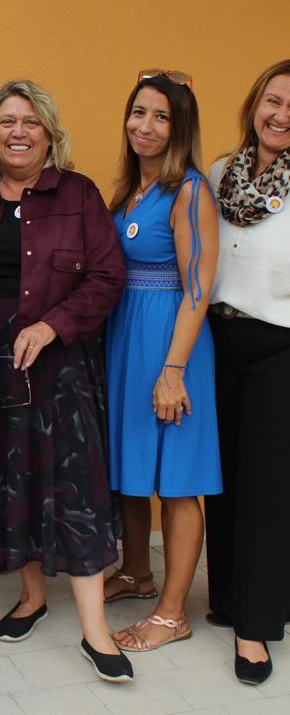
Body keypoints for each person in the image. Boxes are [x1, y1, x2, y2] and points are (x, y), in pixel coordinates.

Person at [0, 79, 132, 682]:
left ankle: (95, 630)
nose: (18, 132)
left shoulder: (78, 195)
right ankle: (32, 595)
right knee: (10, 480)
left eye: (31, 122)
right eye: (7, 121)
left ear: (49, 132)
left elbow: (107, 278)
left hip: (62, 369)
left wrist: (52, 326)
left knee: (76, 486)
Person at [104, 70, 221, 653]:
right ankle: (135, 572)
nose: (145, 126)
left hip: (171, 346)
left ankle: (171, 613)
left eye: (161, 116)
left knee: (177, 482)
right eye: (138, 112)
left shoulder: (191, 190)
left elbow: (198, 287)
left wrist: (172, 370)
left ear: (180, 128)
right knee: (128, 469)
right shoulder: (130, 190)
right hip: (125, 339)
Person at [205, 59, 290, 685]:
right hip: (216, 338)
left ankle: (255, 627)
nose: (280, 116)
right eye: (273, 100)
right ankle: (227, 596)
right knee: (225, 478)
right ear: (255, 102)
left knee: (266, 489)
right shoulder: (217, 175)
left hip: (279, 345)